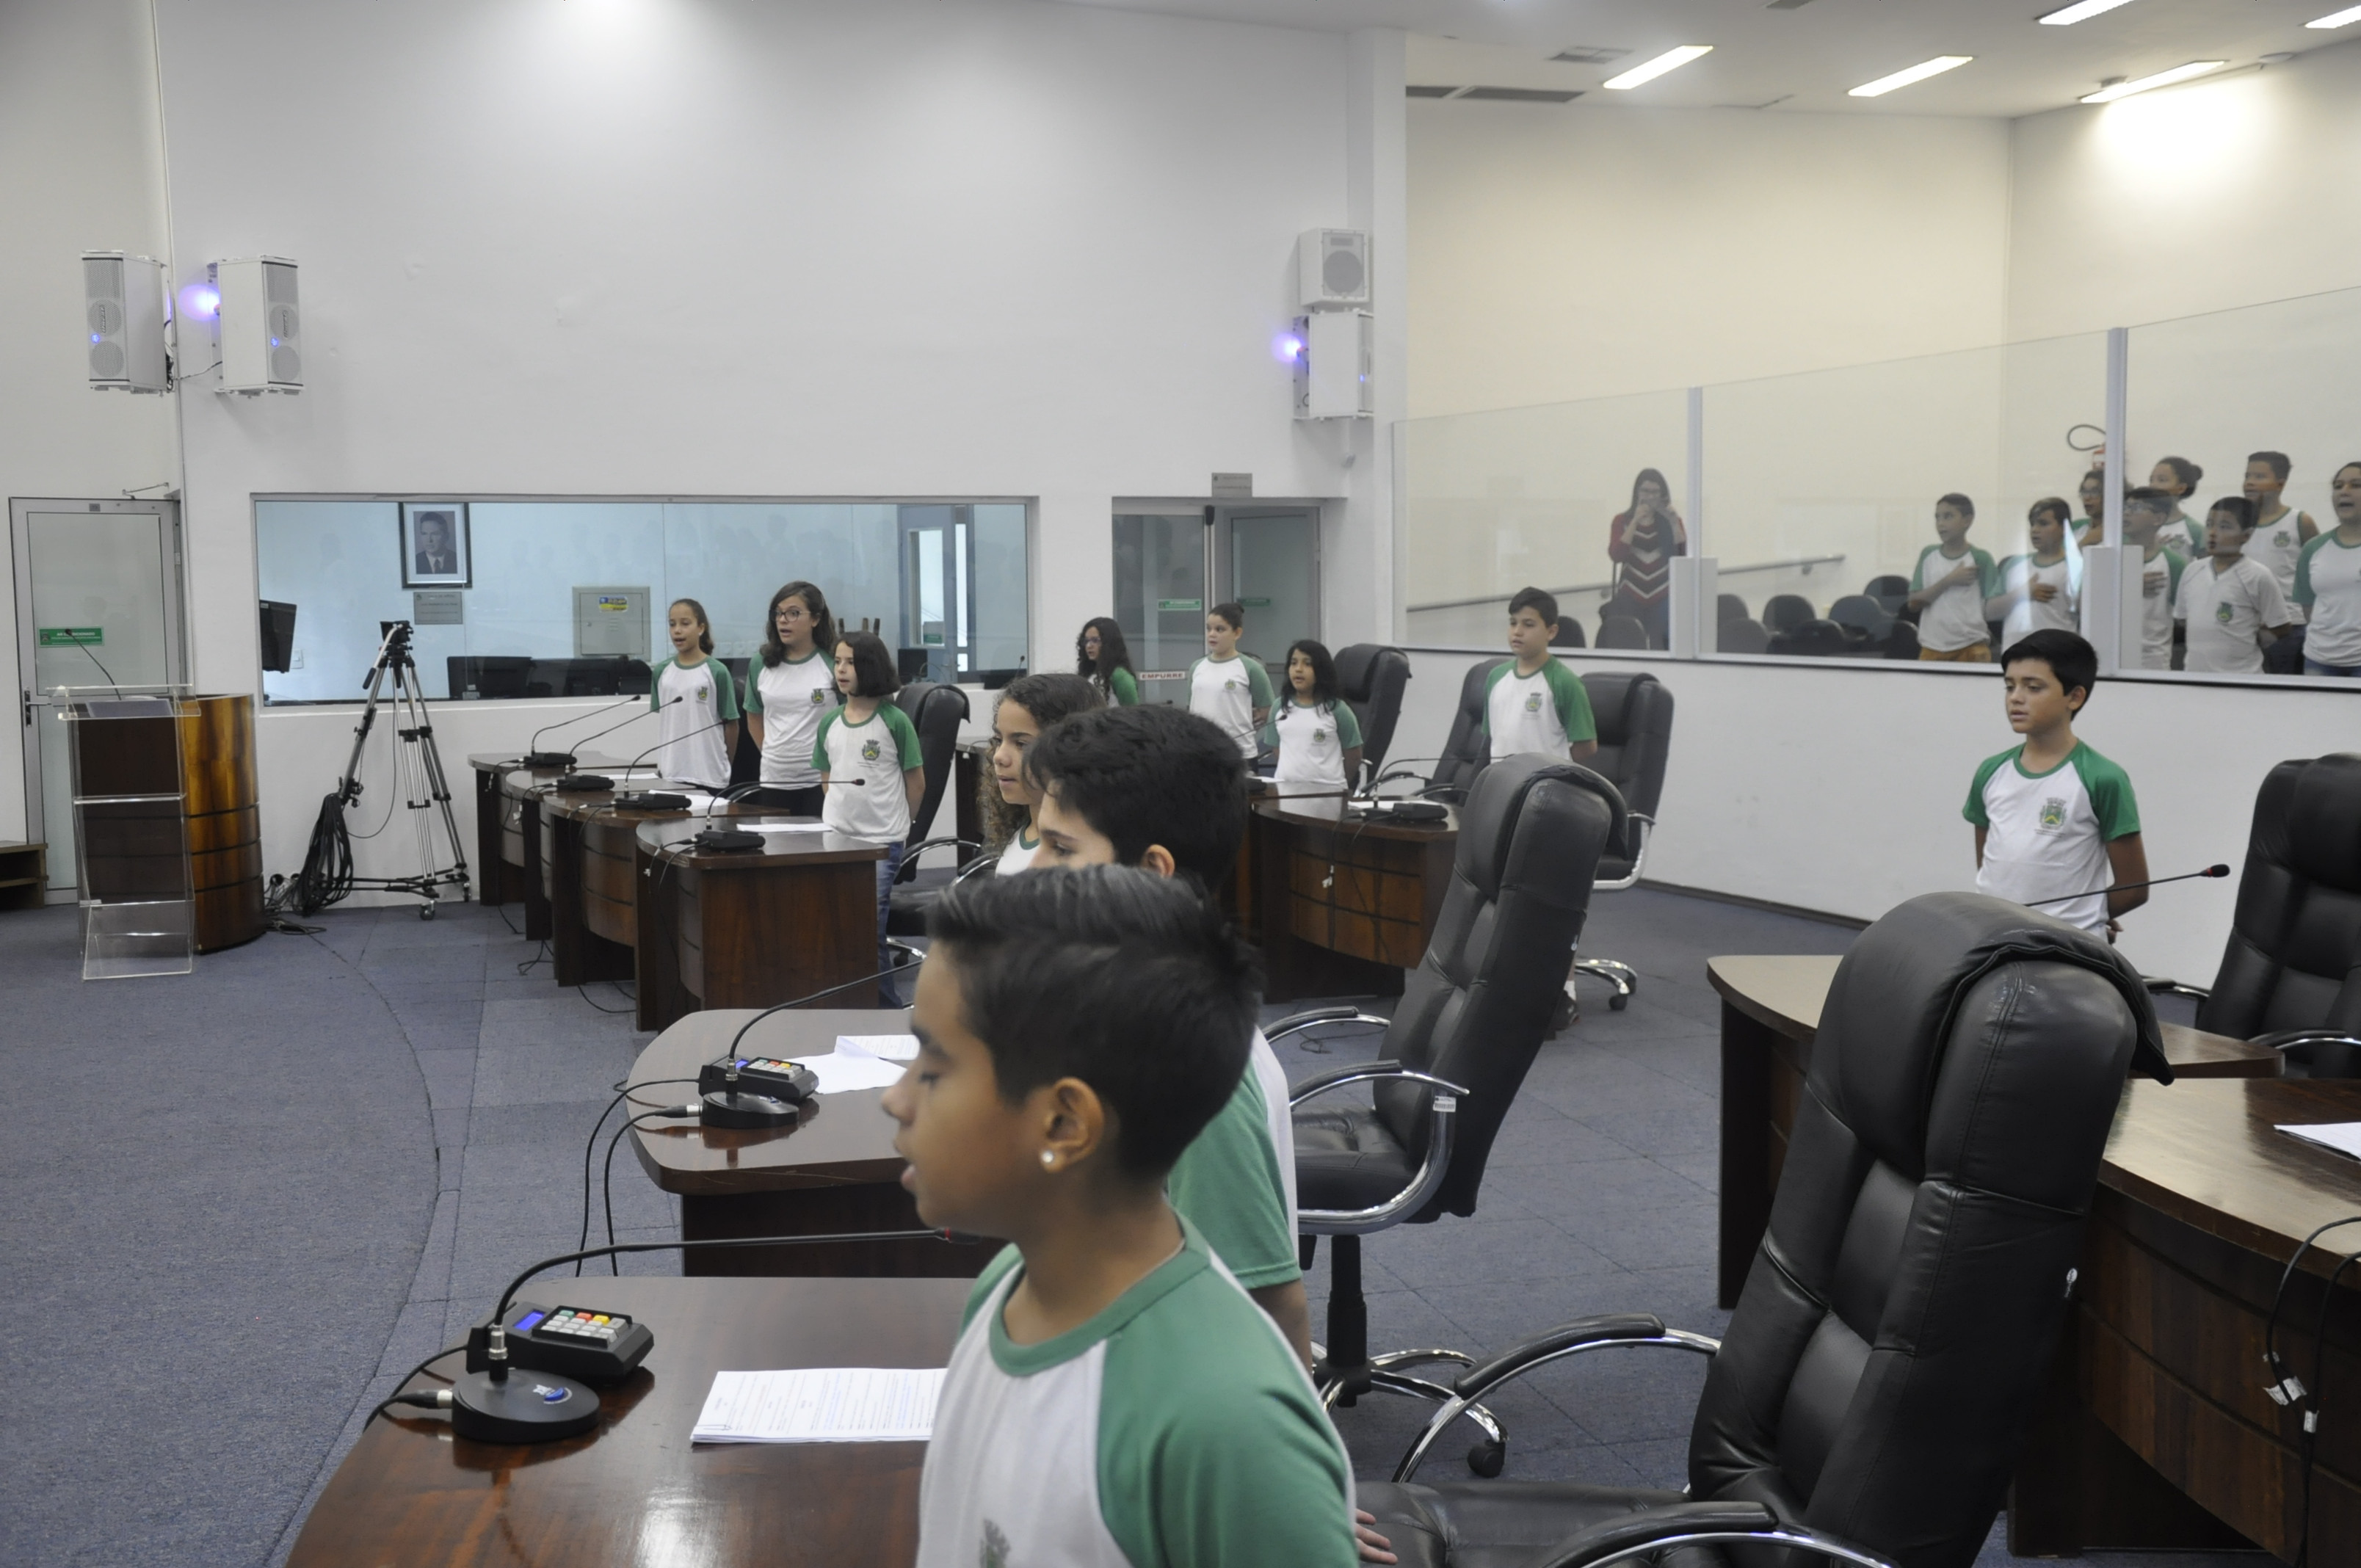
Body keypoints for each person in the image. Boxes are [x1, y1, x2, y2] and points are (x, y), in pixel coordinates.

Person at [886, 869, 1359, 1568]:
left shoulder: (1223, 1424)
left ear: (1064, 1123)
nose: (895, 1099)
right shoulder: (1008, 1284)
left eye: (932, 1067)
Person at [1021, 704, 1311, 1368]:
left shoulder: (1184, 1066)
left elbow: (1265, 1306)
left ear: (1151, 873)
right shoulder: (1133, 1006)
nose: (1035, 869)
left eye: (1060, 848)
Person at [1963, 629, 2147, 939]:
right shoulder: (1991, 771)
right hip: (1993, 938)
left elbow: (2135, 888)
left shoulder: (2103, 778)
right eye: (2010, 687)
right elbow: (1990, 870)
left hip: (2065, 946)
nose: (2016, 698)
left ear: (2074, 697)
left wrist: (2091, 913)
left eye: (2033, 687)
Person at [815, 629, 927, 995]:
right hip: (835, 840)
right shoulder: (830, 721)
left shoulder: (894, 720)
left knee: (868, 932)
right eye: (838, 661)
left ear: (872, 667)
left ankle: (885, 1008)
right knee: (835, 926)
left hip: (880, 843)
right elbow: (826, 775)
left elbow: (916, 782)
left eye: (852, 662)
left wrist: (901, 826)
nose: (842, 670)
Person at [977, 672, 1101, 874]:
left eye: (1022, 744)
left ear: (1072, 749)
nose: (999, 756)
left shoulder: (1081, 852)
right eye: (999, 740)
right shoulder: (1024, 829)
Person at [741, 580, 839, 816]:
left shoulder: (833, 660)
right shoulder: (761, 663)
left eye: (793, 613)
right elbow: (754, 716)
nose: (783, 620)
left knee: (820, 849)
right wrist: (771, 753)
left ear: (815, 619)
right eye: (779, 613)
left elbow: (849, 717)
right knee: (777, 848)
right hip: (775, 778)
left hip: (822, 781)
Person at [2175, 496, 2293, 675]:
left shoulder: (2258, 576)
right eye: (2209, 524)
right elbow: (2183, 619)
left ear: (2246, 535)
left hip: (2242, 679)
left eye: (2224, 527)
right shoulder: (2192, 571)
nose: (2213, 532)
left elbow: (2281, 626)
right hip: (2195, 677)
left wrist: (2249, 635)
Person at [1486, 587, 1596, 763]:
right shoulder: (1495, 677)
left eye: (1528, 624)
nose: (1517, 632)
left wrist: (1557, 766)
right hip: (1502, 783)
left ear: (1551, 632)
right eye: (1513, 623)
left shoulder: (1565, 681)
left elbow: (1586, 747)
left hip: (1546, 784)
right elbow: (1493, 736)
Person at [2089, 487, 2188, 672]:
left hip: (2152, 661)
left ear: (2158, 519)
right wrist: (2129, 586)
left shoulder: (2174, 563)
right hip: (2105, 655)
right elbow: (2084, 603)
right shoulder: (2105, 555)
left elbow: (2183, 617)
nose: (2127, 512)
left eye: (2137, 508)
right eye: (2126, 507)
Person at [647, 598, 739, 790]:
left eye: (685, 624)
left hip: (708, 774)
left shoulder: (717, 672)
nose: (677, 630)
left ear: (701, 628)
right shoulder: (662, 672)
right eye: (672, 624)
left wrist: (724, 763)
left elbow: (731, 724)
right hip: (672, 773)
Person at [1906, 493, 2000, 663]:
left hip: (1972, 646)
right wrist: (1949, 581)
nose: (1941, 523)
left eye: (1948, 516)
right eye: (1937, 518)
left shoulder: (1981, 559)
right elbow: (1913, 603)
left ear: (1967, 520)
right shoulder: (1928, 555)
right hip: (1932, 647)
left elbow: (1992, 608)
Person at [1263, 639, 1363, 792]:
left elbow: (1353, 756)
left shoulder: (1338, 709)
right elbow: (1277, 749)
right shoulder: (1279, 706)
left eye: (1307, 664)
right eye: (1294, 663)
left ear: (1321, 670)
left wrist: (1336, 784)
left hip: (1328, 794)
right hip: (1286, 792)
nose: (1298, 669)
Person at [1606, 468, 1687, 648]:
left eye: (1655, 492)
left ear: (1662, 495)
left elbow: (1682, 556)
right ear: (1637, 493)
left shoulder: (1670, 521)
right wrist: (1635, 521)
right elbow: (1616, 554)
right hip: (1631, 593)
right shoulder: (1622, 520)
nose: (1650, 497)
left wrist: (1674, 522)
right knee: (1630, 642)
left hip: (1663, 594)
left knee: (1661, 644)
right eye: (1645, 491)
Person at [2293, 462, 2361, 677]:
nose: (2344, 492)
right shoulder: (2313, 548)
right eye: (2338, 486)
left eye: (2356, 485)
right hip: (2319, 659)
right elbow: (2309, 608)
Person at [1188, 602, 1274, 761]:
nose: (1212, 634)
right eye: (1209, 629)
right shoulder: (1196, 667)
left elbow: (1267, 710)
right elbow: (1191, 707)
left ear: (1237, 633)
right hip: (1201, 753)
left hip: (1239, 754)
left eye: (1220, 629)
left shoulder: (1251, 668)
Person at [1989, 498, 2078, 646]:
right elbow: (1989, 612)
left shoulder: (2075, 568)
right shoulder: (2014, 565)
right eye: (2032, 524)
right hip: (2015, 656)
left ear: (2064, 528)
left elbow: (2090, 618)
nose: (2035, 530)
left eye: (2043, 524)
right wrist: (2023, 593)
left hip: (2057, 657)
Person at [2241, 451, 2320, 613]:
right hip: (2246, 619)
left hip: (2290, 618)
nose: (2250, 482)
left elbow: (2319, 571)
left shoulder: (2300, 521)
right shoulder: (2237, 524)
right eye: (2247, 476)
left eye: (2259, 477)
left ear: (2280, 484)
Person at [1076, 617, 1141, 706]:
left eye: (1095, 640)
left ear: (1109, 643)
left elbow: (1133, 714)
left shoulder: (1120, 676)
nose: (1089, 646)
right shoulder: (1090, 673)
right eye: (1086, 641)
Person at [2150, 456, 2205, 556]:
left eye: (2162, 480)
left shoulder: (2195, 530)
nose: (2153, 485)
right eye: (2151, 480)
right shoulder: (2143, 525)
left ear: (2181, 488)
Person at [412, 511, 460, 576]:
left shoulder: (457, 560)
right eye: (424, 534)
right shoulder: (414, 562)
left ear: (446, 536)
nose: (429, 540)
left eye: (435, 534)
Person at [2074, 468, 2107, 545]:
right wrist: (2085, 542)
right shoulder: (2075, 528)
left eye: (2094, 492)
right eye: (2084, 492)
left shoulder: (2120, 532)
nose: (2087, 498)